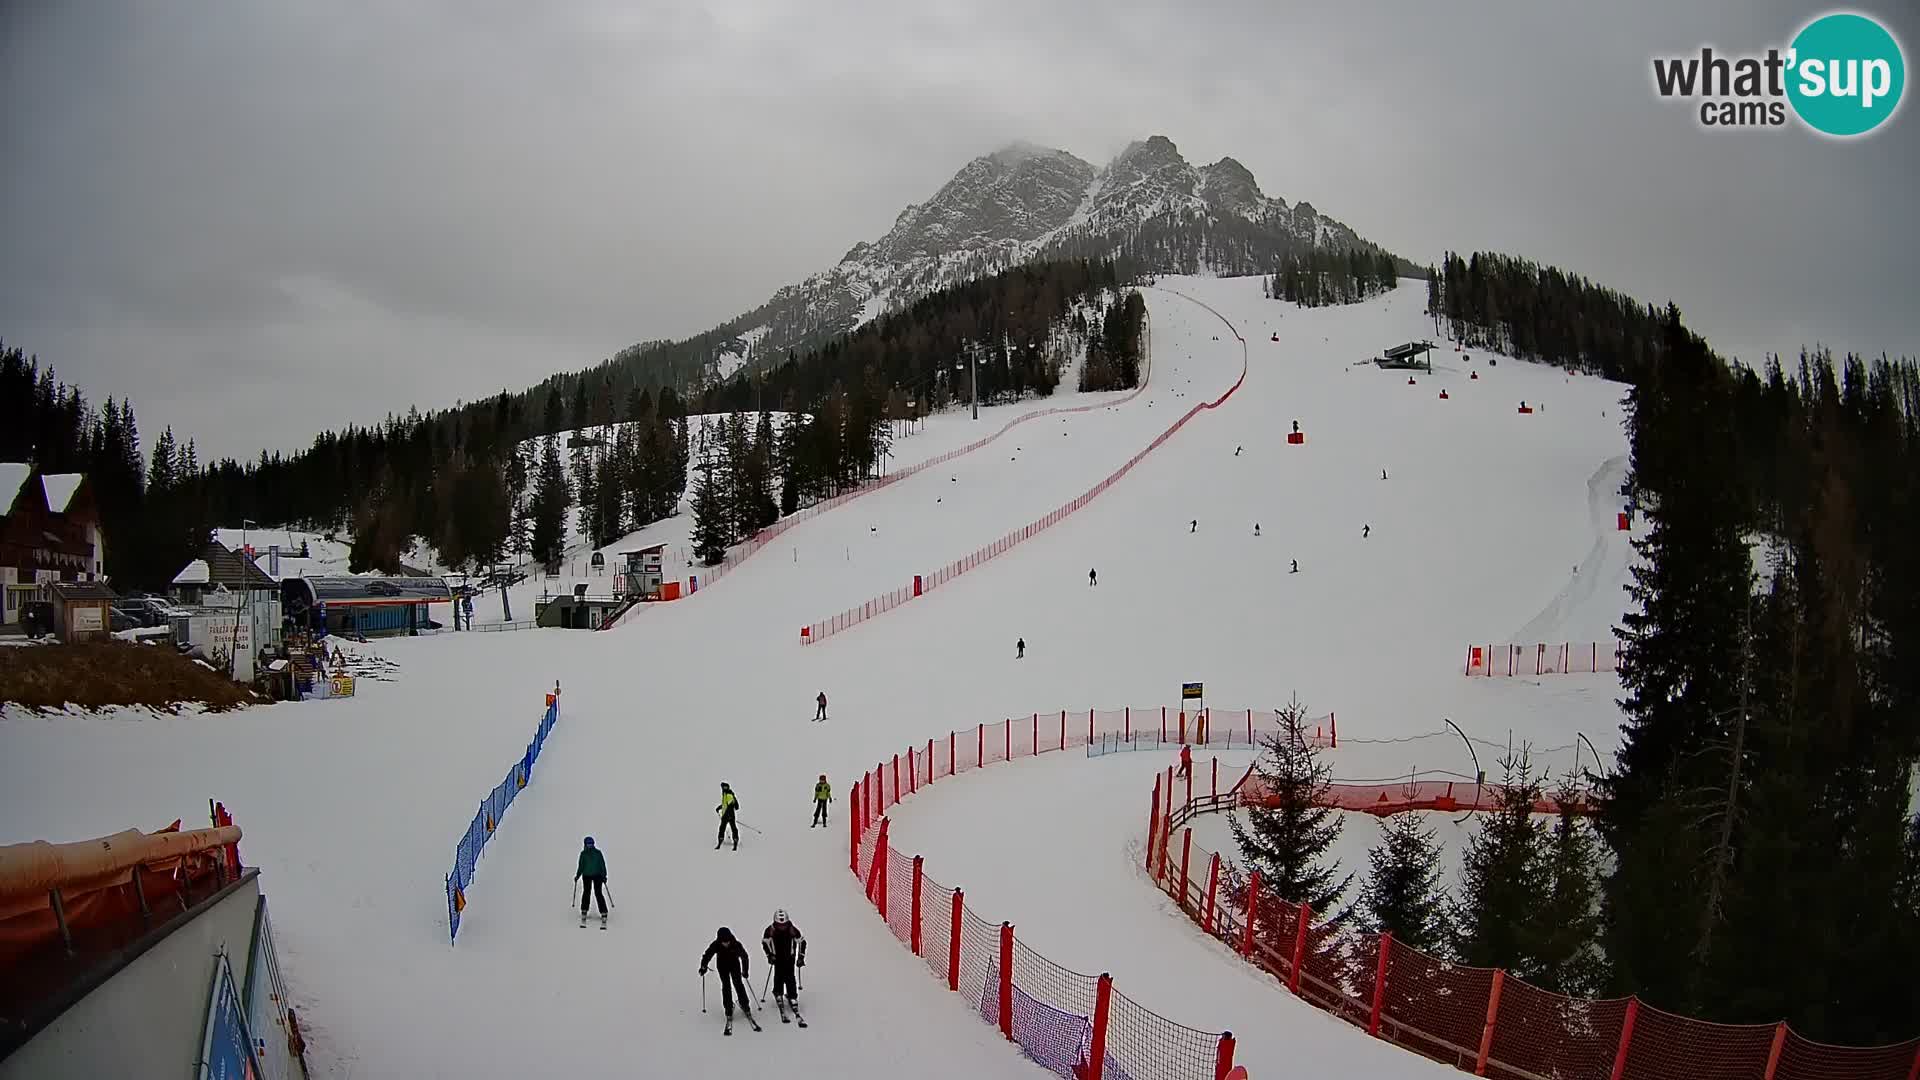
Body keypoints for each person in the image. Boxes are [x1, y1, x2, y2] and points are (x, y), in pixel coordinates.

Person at [699, 928, 758, 1031]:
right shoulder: (716, 944)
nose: (726, 943)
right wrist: (703, 966)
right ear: (719, 940)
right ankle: (728, 1009)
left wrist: (745, 971)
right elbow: (707, 955)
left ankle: (745, 1005)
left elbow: (744, 957)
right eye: (723, 942)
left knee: (738, 984)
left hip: (734, 965)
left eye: (727, 941)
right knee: (726, 986)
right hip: (722, 967)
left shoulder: (736, 944)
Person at [762, 910, 808, 1011]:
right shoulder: (770, 930)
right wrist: (769, 955)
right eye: (779, 925)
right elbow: (765, 943)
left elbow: (802, 942)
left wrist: (801, 957)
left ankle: (792, 997)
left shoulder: (793, 930)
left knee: (790, 976)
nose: (782, 927)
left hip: (789, 957)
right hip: (776, 958)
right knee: (778, 975)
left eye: (784, 925)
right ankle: (778, 993)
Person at [576, 836, 608, 923]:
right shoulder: (583, 854)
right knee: (586, 892)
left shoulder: (598, 853)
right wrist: (577, 875)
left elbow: (602, 865)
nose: (590, 846)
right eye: (588, 844)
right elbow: (581, 866)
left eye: (591, 844)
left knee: (598, 892)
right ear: (585, 845)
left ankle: (603, 912)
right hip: (586, 875)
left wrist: (604, 876)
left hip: (597, 875)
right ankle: (584, 910)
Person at [716, 783, 741, 850]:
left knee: (723, 828)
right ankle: (735, 839)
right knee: (732, 827)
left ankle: (723, 839)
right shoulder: (726, 794)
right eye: (723, 787)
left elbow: (731, 805)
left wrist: (728, 814)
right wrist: (719, 807)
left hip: (728, 815)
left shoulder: (729, 794)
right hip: (729, 814)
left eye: (725, 787)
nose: (724, 788)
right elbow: (726, 804)